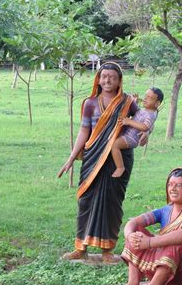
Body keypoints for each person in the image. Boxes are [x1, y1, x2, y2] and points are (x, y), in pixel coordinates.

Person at [58, 62, 145, 262]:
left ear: (119, 80)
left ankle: (107, 251)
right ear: (98, 78)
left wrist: (145, 134)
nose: (107, 80)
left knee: (112, 202)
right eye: (103, 76)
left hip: (118, 158)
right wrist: (72, 157)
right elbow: (84, 131)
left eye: (112, 77)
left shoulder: (127, 102)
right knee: (86, 200)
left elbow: (144, 120)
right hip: (93, 157)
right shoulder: (89, 103)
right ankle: (81, 247)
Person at [111, 87, 164, 178]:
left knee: (115, 145)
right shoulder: (146, 110)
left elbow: (145, 127)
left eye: (150, 98)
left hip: (132, 138)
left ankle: (120, 167)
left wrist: (129, 121)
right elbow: (138, 114)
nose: (145, 99)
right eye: (145, 96)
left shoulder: (151, 115)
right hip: (128, 133)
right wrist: (134, 102)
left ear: (157, 103)